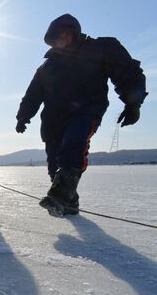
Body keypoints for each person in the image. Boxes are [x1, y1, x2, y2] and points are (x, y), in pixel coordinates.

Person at [15, 14, 147, 216]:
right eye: (57, 37)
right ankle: (69, 201)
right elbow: (33, 94)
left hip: (86, 110)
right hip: (53, 120)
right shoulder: (46, 67)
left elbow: (127, 71)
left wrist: (133, 103)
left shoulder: (100, 48)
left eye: (65, 34)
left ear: (74, 32)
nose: (62, 39)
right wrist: (23, 116)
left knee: (74, 143)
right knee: (54, 164)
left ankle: (60, 195)